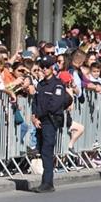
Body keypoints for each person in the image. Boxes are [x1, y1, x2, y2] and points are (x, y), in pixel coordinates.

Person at [31, 55, 73, 193]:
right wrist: (34, 117)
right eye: (42, 67)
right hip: (41, 120)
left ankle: (48, 182)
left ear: (52, 68)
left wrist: (40, 115)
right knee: (42, 150)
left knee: (47, 151)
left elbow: (54, 104)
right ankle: (46, 181)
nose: (44, 70)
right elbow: (36, 102)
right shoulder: (41, 84)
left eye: (46, 67)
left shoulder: (58, 84)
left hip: (50, 120)